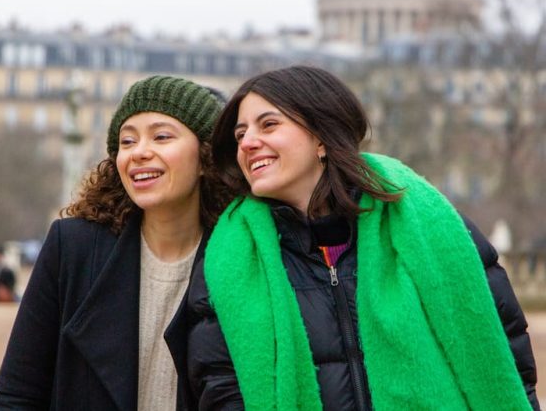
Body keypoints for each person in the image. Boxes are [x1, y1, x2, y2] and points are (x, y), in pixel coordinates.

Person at [180, 66, 540, 410]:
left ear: (321, 136)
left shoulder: (432, 227)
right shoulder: (231, 258)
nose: (248, 143)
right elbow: (220, 386)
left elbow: (503, 355)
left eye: (269, 125)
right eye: (240, 134)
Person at [0, 75, 232, 410]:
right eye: (127, 141)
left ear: (206, 155)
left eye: (161, 136)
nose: (139, 152)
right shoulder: (72, 248)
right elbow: (18, 396)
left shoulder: (239, 258)